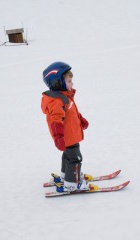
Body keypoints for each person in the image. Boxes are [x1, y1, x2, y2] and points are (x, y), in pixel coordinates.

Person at [41, 61, 96, 192]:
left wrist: (80, 120)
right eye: (69, 80)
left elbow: (71, 112)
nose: (72, 83)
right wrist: (58, 137)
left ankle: (67, 176)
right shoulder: (57, 101)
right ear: (58, 82)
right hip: (68, 136)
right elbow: (55, 121)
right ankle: (72, 183)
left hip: (71, 135)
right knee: (75, 158)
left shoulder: (65, 97)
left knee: (68, 156)